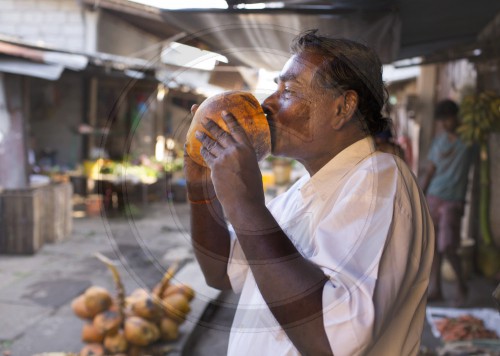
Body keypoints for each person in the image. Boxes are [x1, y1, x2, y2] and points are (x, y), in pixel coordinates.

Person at [185, 30, 434, 355]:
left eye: (288, 90)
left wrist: (244, 203)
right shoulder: (300, 193)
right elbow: (220, 272)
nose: (267, 104)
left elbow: (329, 340)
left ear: (342, 108)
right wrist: (198, 174)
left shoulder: (381, 181)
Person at [421, 99, 473, 307]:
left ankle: (462, 286)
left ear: (456, 117)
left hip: (453, 200)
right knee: (434, 247)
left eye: (447, 119)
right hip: (434, 196)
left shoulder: (470, 141)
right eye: (441, 120)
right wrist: (420, 195)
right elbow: (431, 170)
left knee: (448, 245)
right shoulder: (439, 141)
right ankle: (436, 289)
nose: (444, 123)